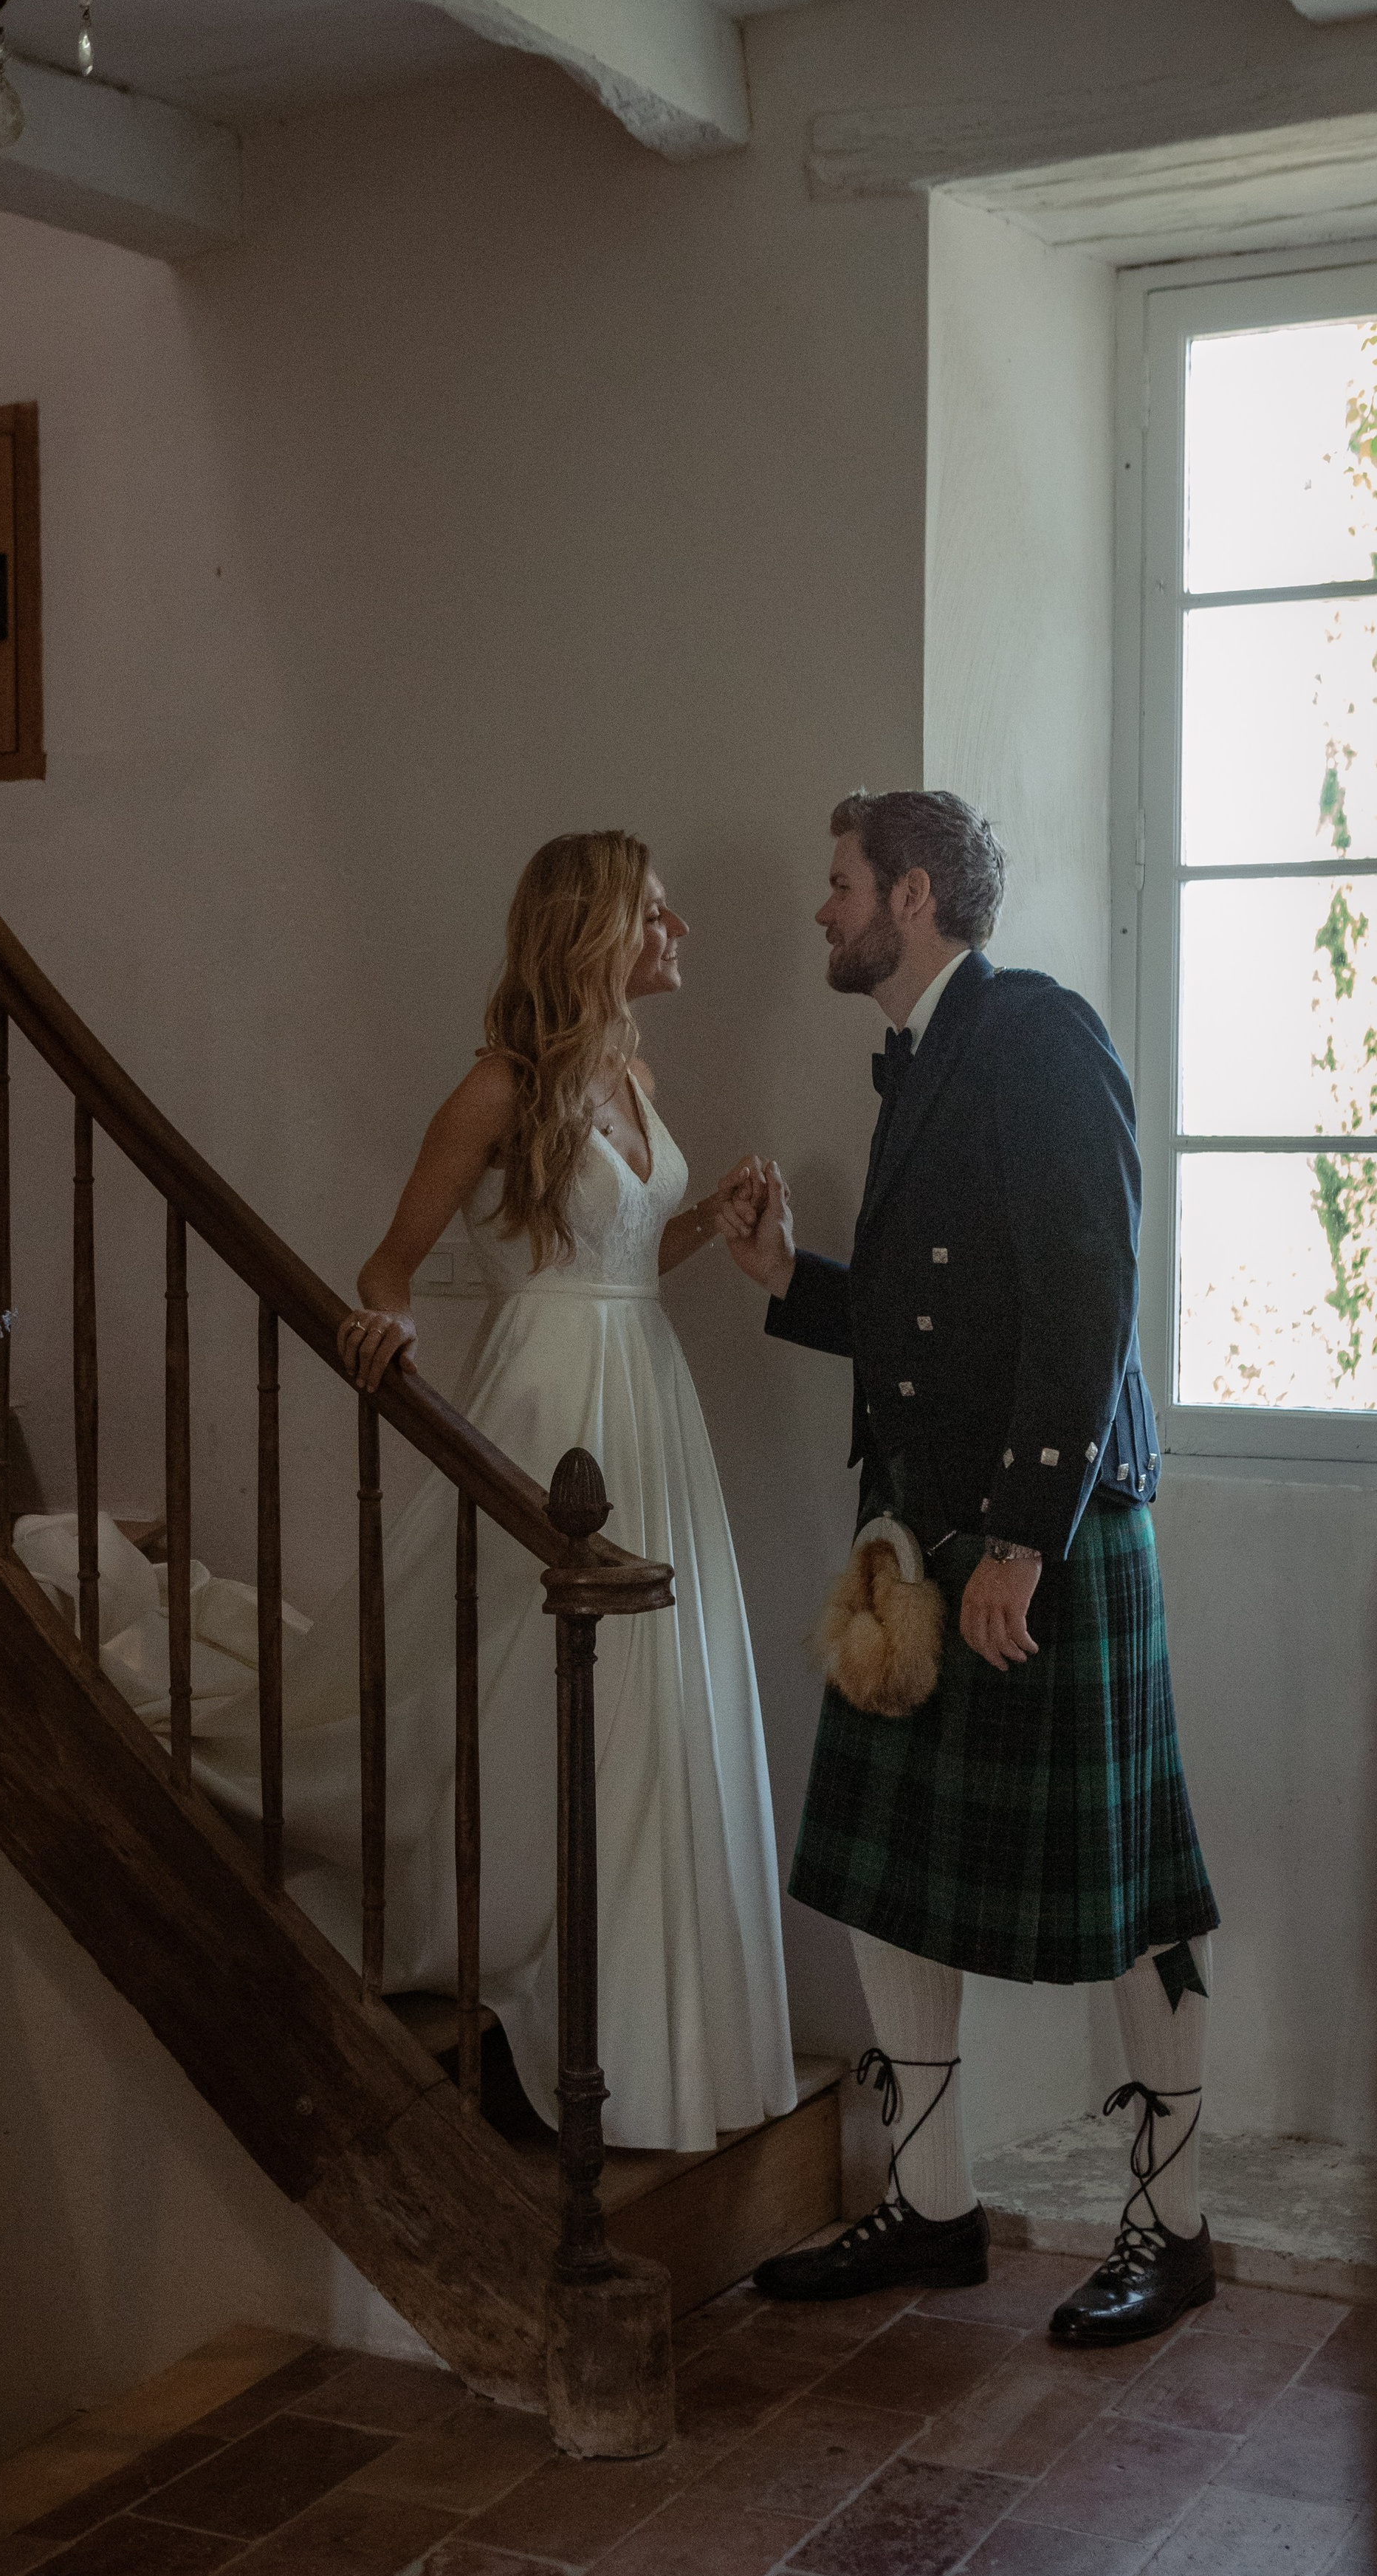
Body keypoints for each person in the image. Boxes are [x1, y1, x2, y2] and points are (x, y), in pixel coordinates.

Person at [176, 831, 796, 2154]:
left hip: (647, 1394)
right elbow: (389, 1262)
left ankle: (658, 2044)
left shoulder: (631, 1066)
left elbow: (621, 1256)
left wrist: (712, 1219)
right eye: (657, 913)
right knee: (539, 1687)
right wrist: (385, 1331)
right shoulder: (497, 1087)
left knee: (653, 1695)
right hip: (548, 1401)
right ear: (595, 931)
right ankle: (537, 1989)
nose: (679, 932)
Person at [723, 789, 1218, 2347]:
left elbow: (1085, 1296)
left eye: (839, 884)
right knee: (886, 1886)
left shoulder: (1035, 1034)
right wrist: (789, 1283)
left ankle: (1178, 2223)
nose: (821, 910)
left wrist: (1019, 1537)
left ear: (912, 894)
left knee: (1127, 1892)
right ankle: (933, 2209)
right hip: (919, 1539)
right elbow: (941, 1310)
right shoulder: (930, 1054)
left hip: (1037, 1536)